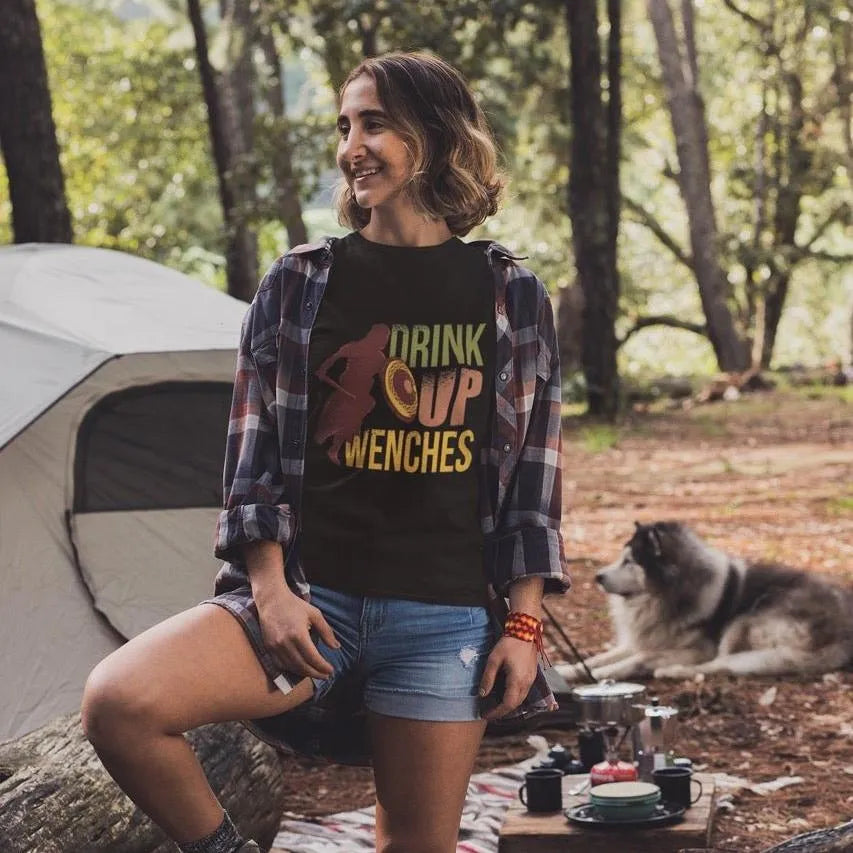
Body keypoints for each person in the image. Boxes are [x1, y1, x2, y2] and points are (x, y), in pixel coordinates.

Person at [81, 50, 569, 853]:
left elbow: (534, 480)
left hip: (442, 619)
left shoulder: (509, 294)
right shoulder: (298, 283)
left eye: (374, 122)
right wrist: (268, 590)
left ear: (436, 136)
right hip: (310, 601)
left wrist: (522, 622)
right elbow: (254, 458)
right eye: (345, 125)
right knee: (120, 700)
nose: (352, 145)